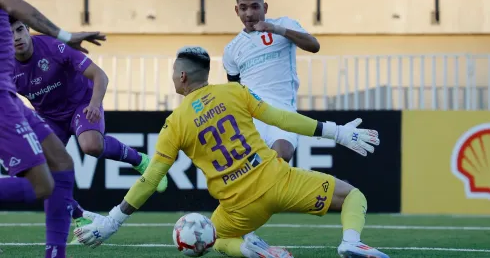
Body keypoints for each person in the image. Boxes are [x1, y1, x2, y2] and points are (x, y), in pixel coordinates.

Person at [72, 46, 389, 258]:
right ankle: (350, 243)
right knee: (352, 197)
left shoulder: (175, 123)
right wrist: (336, 132)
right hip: (278, 181)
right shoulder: (235, 92)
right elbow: (282, 118)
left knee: (210, 237)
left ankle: (250, 249)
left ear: (182, 76)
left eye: (173, 72)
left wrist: (112, 221)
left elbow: (151, 179)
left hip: (238, 207)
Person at [9, 17, 169, 243]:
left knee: (91, 145)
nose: (16, 37)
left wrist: (94, 104)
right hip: (48, 117)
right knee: (40, 173)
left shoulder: (54, 46)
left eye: (19, 30)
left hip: (81, 103)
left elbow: (100, 75)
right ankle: (80, 216)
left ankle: (140, 160)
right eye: (8, 33)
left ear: (28, 29)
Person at [0, 0, 105, 257]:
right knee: (43, 184)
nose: (17, 36)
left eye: (19, 30)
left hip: (10, 99)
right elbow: (14, 5)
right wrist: (64, 34)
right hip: (3, 98)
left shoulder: (44, 50)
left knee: (61, 165)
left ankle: (55, 253)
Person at [223, 0, 320, 163]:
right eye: (243, 8)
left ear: (265, 7)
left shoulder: (284, 25)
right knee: (248, 169)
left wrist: (275, 29)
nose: (249, 14)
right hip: (253, 114)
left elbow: (314, 46)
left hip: (282, 109)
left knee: (283, 154)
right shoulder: (231, 49)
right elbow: (234, 89)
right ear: (236, 10)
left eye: (255, 6)